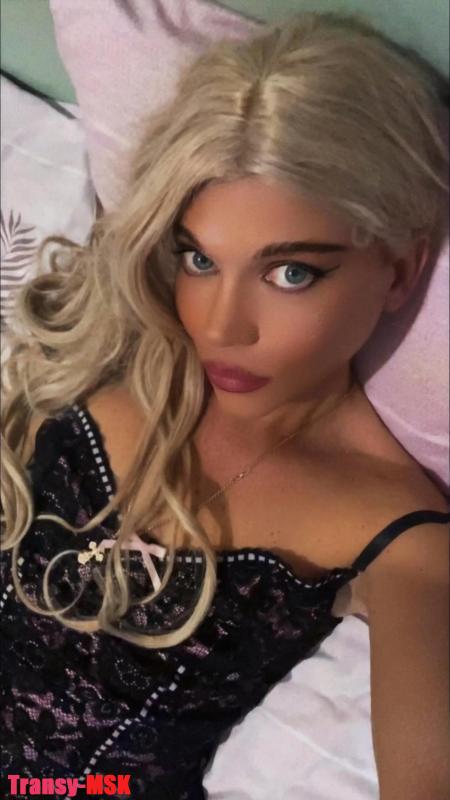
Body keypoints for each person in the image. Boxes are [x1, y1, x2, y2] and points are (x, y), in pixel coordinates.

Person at [1, 11, 449, 800]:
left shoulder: (399, 536)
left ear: (402, 272)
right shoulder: (116, 343)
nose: (220, 326)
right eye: (200, 259)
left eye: (291, 273)